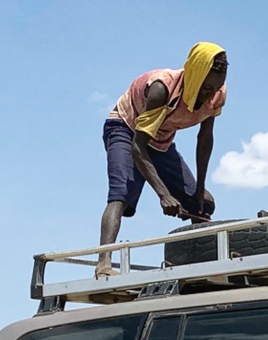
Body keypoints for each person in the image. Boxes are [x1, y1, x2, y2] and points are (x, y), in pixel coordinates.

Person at [96, 42, 229, 276]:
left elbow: (205, 139)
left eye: (215, 88)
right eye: (206, 87)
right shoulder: (162, 89)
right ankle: (104, 263)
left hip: (161, 138)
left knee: (200, 205)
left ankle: (203, 262)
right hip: (126, 129)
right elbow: (138, 147)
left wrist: (200, 188)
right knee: (121, 194)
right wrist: (163, 194)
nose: (210, 93)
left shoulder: (217, 96)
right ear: (195, 76)